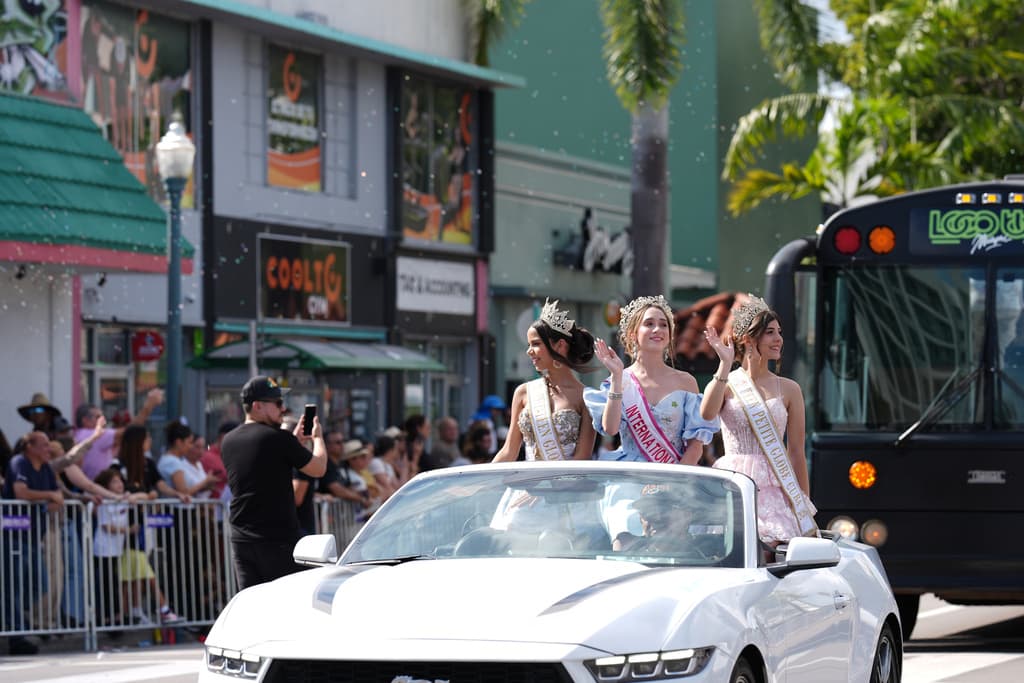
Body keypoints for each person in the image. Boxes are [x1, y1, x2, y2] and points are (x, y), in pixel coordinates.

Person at [700, 294, 817, 545]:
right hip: (734, 481)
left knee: (773, 549)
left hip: (776, 484)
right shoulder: (728, 383)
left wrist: (802, 502)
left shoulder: (790, 389)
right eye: (770, 333)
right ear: (749, 339)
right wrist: (724, 365)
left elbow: (796, 451)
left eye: (779, 332)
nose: (779, 340)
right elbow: (707, 414)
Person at [220, 376, 327, 590]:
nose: (283, 408)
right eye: (277, 403)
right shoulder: (277, 438)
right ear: (257, 406)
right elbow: (318, 468)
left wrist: (292, 442)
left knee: (252, 604)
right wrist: (317, 439)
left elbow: (264, 464)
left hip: (242, 540)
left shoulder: (229, 440)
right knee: (288, 603)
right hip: (278, 538)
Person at [586, 294, 719, 464]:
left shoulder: (686, 382)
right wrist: (617, 377)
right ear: (633, 334)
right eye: (649, 324)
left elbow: (695, 446)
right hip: (631, 474)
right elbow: (610, 429)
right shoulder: (620, 380)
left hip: (674, 474)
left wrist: (673, 482)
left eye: (663, 325)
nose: (657, 329)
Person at [493, 299, 597, 462]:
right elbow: (508, 451)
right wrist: (483, 485)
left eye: (535, 344)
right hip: (529, 485)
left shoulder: (587, 398)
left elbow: (582, 457)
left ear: (560, 346)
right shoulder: (523, 392)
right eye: (529, 344)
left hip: (567, 485)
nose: (529, 351)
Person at [2, 431, 61, 655]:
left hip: (35, 537)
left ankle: (11, 617)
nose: (49, 449)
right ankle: (16, 636)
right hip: (13, 535)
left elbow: (56, 501)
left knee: (39, 584)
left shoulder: (46, 469)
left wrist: (51, 498)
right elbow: (20, 492)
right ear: (31, 447)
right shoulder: (19, 463)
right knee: (14, 587)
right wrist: (49, 496)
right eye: (45, 445)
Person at [74, 387, 165, 479]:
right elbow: (130, 432)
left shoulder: (81, 434)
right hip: (96, 489)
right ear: (85, 420)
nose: (103, 421)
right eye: (98, 417)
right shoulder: (93, 435)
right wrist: (150, 404)